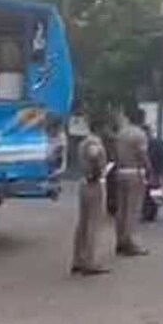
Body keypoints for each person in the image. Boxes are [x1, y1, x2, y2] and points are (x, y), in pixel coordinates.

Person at [73, 112, 113, 276]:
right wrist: (97, 173)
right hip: (94, 185)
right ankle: (90, 262)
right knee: (94, 224)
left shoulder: (82, 142)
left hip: (83, 183)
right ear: (101, 127)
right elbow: (94, 155)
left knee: (83, 223)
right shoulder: (94, 142)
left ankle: (78, 259)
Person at [112, 107, 152, 257]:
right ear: (142, 119)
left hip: (120, 171)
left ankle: (120, 241)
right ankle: (131, 243)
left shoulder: (121, 134)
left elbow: (114, 153)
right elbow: (142, 154)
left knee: (121, 210)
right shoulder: (139, 135)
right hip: (134, 173)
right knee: (132, 210)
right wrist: (149, 168)